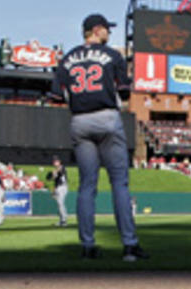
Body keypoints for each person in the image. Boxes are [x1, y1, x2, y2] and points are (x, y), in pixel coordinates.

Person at [51, 13, 147, 262]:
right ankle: (129, 245)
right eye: (106, 29)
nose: (109, 33)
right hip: (106, 117)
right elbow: (125, 92)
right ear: (96, 30)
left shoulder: (67, 58)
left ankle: (88, 246)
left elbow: (56, 96)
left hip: (80, 121)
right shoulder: (112, 55)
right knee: (119, 183)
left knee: (87, 185)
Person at [47, 156, 69, 227]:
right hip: (58, 187)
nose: (54, 162)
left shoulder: (62, 167)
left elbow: (60, 169)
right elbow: (54, 180)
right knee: (59, 204)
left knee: (60, 203)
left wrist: (54, 173)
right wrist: (54, 190)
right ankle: (62, 220)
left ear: (59, 161)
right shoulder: (56, 170)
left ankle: (64, 220)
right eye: (54, 161)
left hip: (63, 187)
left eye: (56, 161)